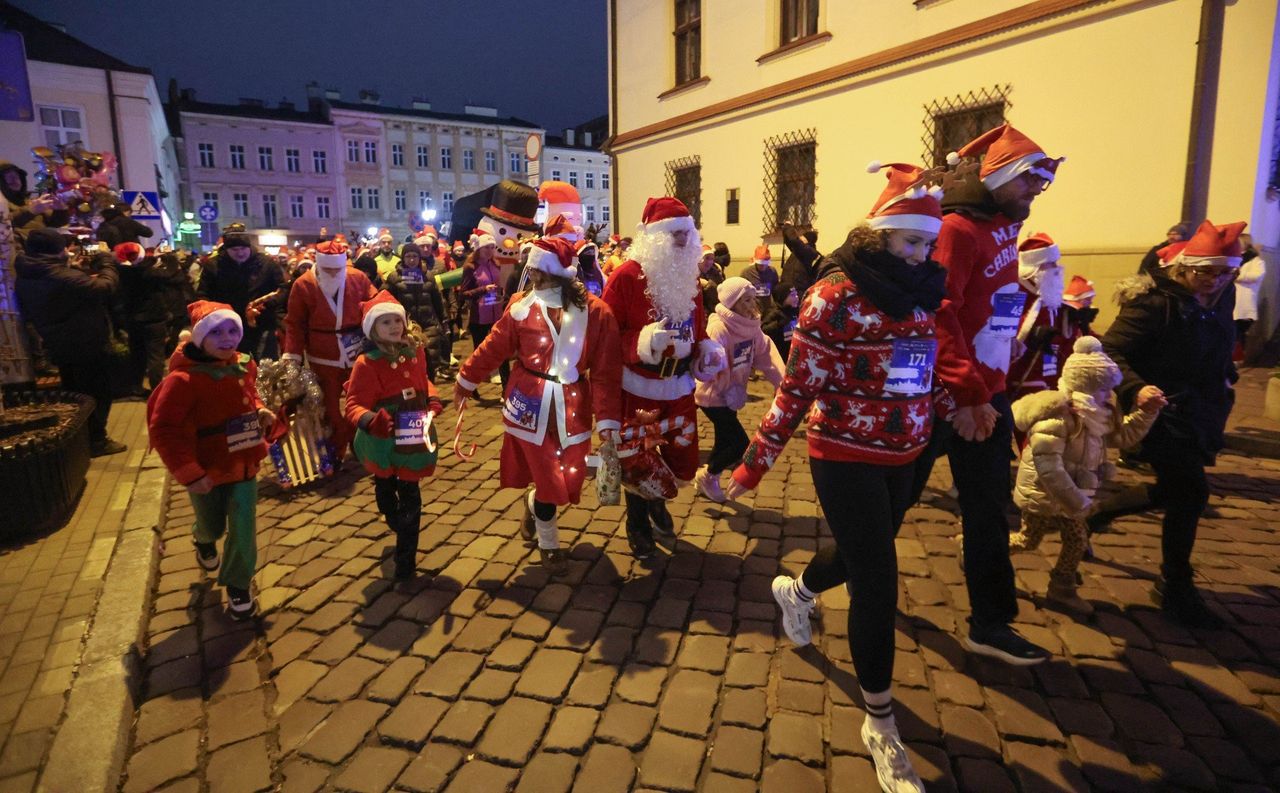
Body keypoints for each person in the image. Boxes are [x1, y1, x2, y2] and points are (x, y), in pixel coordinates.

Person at [727, 162, 950, 793]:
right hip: (844, 453)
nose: (921, 254)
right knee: (879, 578)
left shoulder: (926, 288)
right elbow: (798, 388)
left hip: (907, 450)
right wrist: (754, 461)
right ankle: (881, 724)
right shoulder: (836, 295)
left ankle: (796, 592)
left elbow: (927, 365)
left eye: (927, 244)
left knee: (858, 557)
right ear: (879, 234)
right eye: (911, 241)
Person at [914, 124, 1063, 665]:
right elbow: (939, 312)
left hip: (987, 389)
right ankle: (837, 578)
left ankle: (991, 622)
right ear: (999, 177)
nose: (1034, 193)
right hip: (948, 393)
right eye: (1028, 182)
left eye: (1040, 185)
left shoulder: (1004, 224)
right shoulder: (957, 230)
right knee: (891, 501)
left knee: (987, 507)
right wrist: (967, 389)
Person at [1100, 220, 1244, 627]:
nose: (1213, 282)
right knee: (1190, 493)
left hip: (1203, 411)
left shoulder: (1223, 295)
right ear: (1184, 267)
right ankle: (1176, 586)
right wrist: (1135, 388)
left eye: (1224, 272)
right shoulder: (1153, 302)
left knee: (1175, 492)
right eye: (1205, 272)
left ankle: (1094, 514)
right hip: (1161, 414)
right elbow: (1110, 349)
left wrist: (1225, 377)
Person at [455, 237, 623, 575]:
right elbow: (494, 347)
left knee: (570, 479)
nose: (529, 275)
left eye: (535, 270)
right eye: (530, 270)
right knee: (550, 478)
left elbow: (606, 371)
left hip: (573, 405)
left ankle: (535, 504)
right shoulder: (520, 306)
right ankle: (549, 542)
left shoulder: (596, 311)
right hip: (528, 403)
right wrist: (466, 379)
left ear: (553, 274)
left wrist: (607, 420)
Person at [601, 197, 725, 558]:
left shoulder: (690, 277)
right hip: (638, 386)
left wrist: (705, 349)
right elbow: (605, 334)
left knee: (680, 455)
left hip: (680, 386)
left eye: (687, 233)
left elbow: (697, 329)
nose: (684, 241)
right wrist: (640, 342)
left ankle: (658, 499)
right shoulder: (625, 276)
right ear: (653, 238)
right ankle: (637, 524)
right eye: (674, 234)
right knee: (638, 459)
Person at [1009, 336, 1159, 617]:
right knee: (1029, 540)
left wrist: (1146, 413)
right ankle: (974, 551)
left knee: (1075, 539)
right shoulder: (1057, 417)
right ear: (1085, 388)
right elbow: (1048, 467)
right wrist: (1076, 500)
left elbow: (1123, 436)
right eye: (1103, 390)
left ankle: (1061, 589)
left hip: (1072, 494)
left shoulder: (1098, 415)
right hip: (1044, 492)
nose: (1109, 396)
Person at [148, 301, 277, 619]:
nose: (227, 338)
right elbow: (164, 428)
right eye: (216, 332)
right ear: (198, 338)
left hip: (243, 461)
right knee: (212, 525)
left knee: (243, 523)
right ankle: (202, 539)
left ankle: (238, 585)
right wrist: (189, 472)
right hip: (206, 466)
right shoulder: (182, 381)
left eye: (233, 330)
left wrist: (259, 409)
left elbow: (251, 392)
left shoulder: (246, 364)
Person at [345, 292, 443, 580]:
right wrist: (370, 420)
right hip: (383, 440)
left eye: (397, 320)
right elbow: (353, 404)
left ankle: (405, 563)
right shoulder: (367, 363)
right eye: (385, 322)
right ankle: (394, 516)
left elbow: (423, 381)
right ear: (372, 328)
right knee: (386, 491)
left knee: (411, 497)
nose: (394, 326)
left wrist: (432, 398)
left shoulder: (414, 351)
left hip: (413, 433)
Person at [15, 228, 127, 456]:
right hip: (85, 343)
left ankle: (83, 440)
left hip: (60, 343)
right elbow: (105, 287)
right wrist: (106, 260)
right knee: (97, 393)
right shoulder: (59, 276)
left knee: (77, 393)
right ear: (55, 250)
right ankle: (96, 440)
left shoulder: (29, 273)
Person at [283, 238, 377, 460]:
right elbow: (295, 323)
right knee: (330, 409)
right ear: (319, 264)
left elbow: (375, 302)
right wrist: (292, 356)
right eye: (328, 269)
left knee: (361, 403)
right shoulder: (303, 284)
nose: (334, 274)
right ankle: (335, 450)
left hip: (356, 353)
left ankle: (361, 446)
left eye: (338, 269)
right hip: (323, 356)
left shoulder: (357, 278)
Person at [693, 276, 783, 503]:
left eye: (753, 299)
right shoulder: (719, 327)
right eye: (745, 301)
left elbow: (765, 354)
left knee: (724, 442)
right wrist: (726, 386)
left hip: (732, 394)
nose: (752, 305)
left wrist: (782, 383)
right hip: (713, 396)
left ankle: (709, 478)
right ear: (732, 303)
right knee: (740, 445)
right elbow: (713, 366)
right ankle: (708, 474)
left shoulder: (751, 326)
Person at [1007, 233, 1084, 402]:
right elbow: (1000, 349)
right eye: (1051, 265)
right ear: (1034, 270)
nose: (1058, 269)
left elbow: (1064, 348)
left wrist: (1076, 327)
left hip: (1053, 386)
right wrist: (1031, 341)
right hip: (1021, 391)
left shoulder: (1053, 304)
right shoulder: (1013, 297)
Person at [197, 231, 286, 357]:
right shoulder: (213, 266)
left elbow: (282, 289)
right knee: (233, 362)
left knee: (266, 362)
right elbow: (203, 294)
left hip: (262, 321)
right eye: (234, 249)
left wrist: (268, 304)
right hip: (227, 326)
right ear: (226, 249)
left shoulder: (267, 264)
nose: (240, 253)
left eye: (243, 248)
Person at [114, 242, 174, 395]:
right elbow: (169, 274)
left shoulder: (121, 273)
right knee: (156, 356)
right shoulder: (149, 272)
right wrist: (168, 258)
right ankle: (157, 389)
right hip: (154, 319)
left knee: (138, 355)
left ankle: (136, 387)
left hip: (133, 320)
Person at [384, 242, 451, 380]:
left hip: (428, 324)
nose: (412, 260)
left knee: (430, 361)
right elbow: (385, 299)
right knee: (409, 361)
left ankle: (430, 393)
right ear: (403, 258)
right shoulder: (394, 278)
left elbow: (438, 301)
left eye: (415, 256)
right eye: (408, 256)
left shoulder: (429, 276)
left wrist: (443, 320)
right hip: (406, 326)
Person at [458, 229, 508, 390]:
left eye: (492, 247)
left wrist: (500, 292)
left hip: (496, 314)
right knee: (479, 355)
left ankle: (506, 388)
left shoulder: (495, 264)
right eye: (487, 247)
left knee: (502, 352)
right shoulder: (470, 267)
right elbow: (463, 293)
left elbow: (498, 285)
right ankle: (470, 386)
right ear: (479, 248)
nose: (490, 250)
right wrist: (483, 290)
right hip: (479, 317)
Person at [776, 225, 821, 359]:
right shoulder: (799, 253)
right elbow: (791, 241)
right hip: (788, 300)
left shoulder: (809, 254)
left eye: (801, 239)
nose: (798, 240)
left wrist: (788, 227)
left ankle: (796, 356)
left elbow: (793, 240)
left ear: (806, 242)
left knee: (795, 332)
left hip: (798, 301)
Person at [1, 161, 68, 241]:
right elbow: (4, 225)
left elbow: (55, 224)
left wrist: (60, 210)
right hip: (19, 251)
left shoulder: (30, 201)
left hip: (43, 248)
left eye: (16, 175)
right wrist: (29, 211)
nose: (15, 179)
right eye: (7, 176)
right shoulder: (2, 204)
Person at [1233, 233, 1264, 353]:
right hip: (1231, 299)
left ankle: (1237, 358)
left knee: (1239, 330)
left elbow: (1256, 276)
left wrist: (1237, 275)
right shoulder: (1234, 257)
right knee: (1231, 330)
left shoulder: (1256, 260)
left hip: (1244, 300)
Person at [697, 243, 725, 312]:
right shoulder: (691, 275)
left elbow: (721, 295)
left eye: (712, 259)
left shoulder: (716, 273)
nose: (709, 262)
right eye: (706, 258)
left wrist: (708, 285)